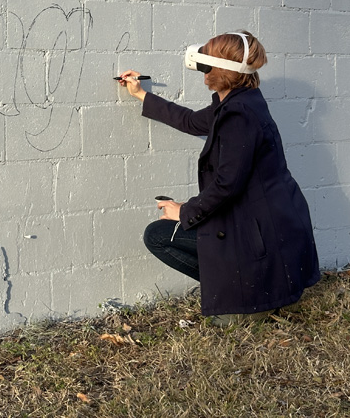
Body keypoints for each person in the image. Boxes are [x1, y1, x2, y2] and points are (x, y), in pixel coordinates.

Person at [118, 31, 320, 326]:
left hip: (257, 232)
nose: (201, 70)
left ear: (220, 70)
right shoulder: (240, 101)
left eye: (205, 64)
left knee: (157, 236)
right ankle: (248, 291)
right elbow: (190, 121)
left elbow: (228, 184)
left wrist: (185, 211)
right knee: (180, 229)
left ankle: (248, 298)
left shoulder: (239, 114)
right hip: (264, 224)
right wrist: (141, 94)